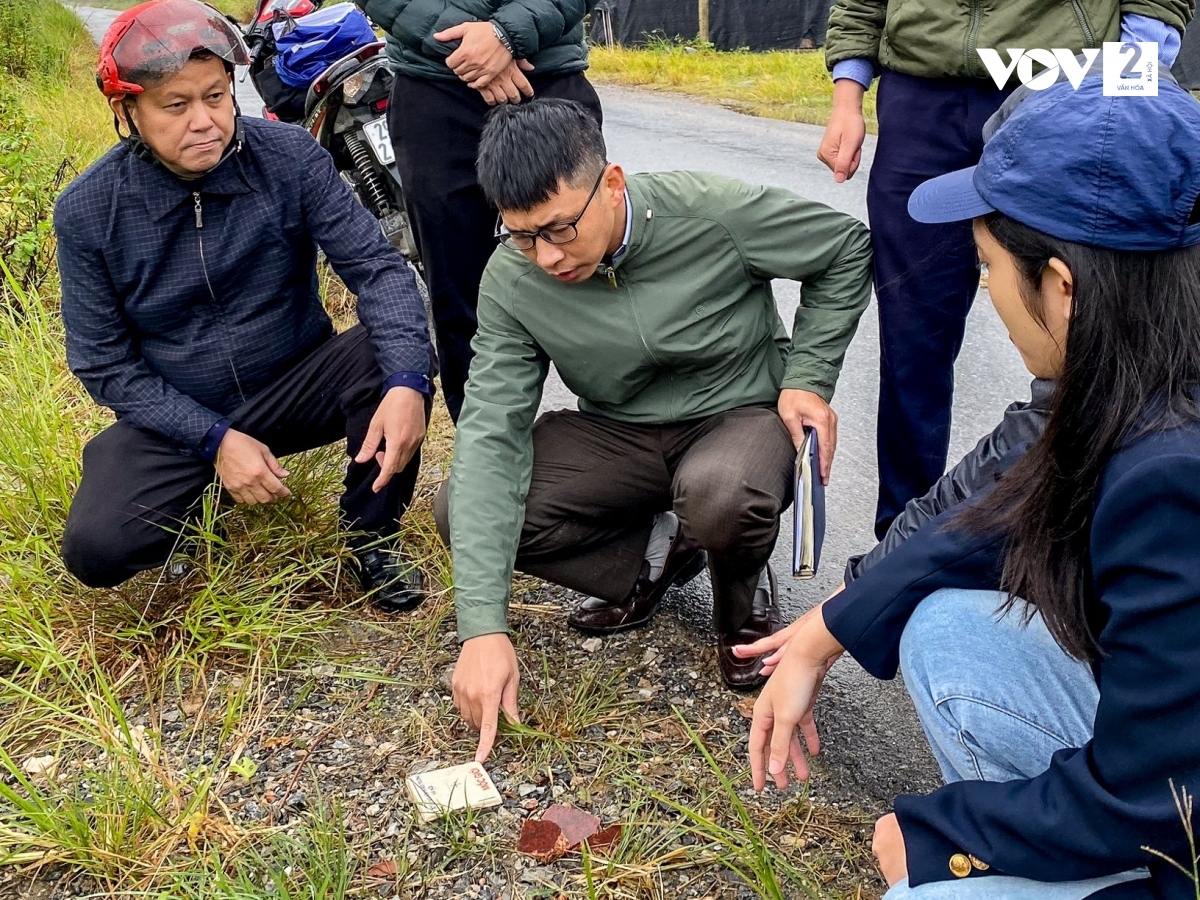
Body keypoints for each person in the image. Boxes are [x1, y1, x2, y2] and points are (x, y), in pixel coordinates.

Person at [743, 77, 1200, 899]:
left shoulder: (1171, 479)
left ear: (1062, 287)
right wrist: (834, 621)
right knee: (948, 627)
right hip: (1173, 760)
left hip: (1175, 812)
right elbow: (983, 494)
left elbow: (1161, 798)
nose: (986, 290)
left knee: (927, 893)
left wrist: (944, 841)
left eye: (988, 264)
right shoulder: (1150, 355)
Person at [439, 99, 873, 762]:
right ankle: (653, 556)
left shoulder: (712, 211)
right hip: (619, 432)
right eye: (523, 236)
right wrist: (482, 629)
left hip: (737, 415)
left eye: (560, 229)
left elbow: (844, 248)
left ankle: (741, 603)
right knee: (463, 508)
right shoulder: (512, 281)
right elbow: (491, 436)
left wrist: (808, 376)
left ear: (612, 184)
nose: (548, 257)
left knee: (723, 495)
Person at [56, 0, 434, 610]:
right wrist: (212, 439)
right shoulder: (89, 210)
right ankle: (200, 505)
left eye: (216, 95)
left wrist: (409, 382)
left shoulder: (288, 156)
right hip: (184, 411)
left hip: (294, 382)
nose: (204, 121)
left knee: (389, 356)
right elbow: (103, 363)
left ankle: (371, 535)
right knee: (96, 547)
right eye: (176, 105)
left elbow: (377, 268)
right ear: (128, 110)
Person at [820, 0, 1193, 539]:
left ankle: (1090, 533)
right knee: (911, 337)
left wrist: (1127, 78)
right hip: (921, 93)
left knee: (1089, 314)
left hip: (1067, 81)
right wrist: (847, 90)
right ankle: (900, 539)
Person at [357, 0, 601, 424]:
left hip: (548, 73)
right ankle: (486, 459)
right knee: (458, 295)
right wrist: (473, 48)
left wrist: (506, 36)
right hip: (433, 88)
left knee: (589, 276)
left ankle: (620, 439)